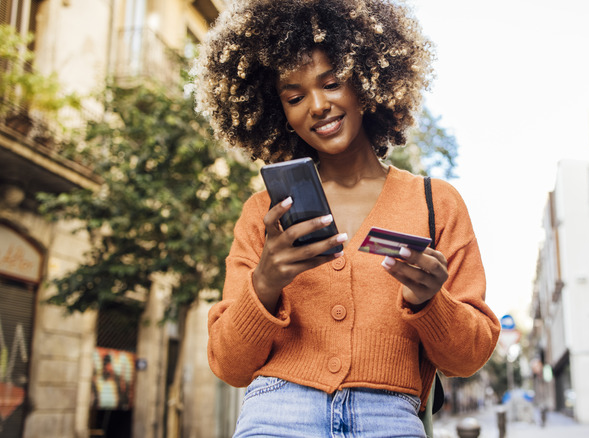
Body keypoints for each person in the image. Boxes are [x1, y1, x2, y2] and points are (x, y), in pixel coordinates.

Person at [193, 1, 500, 436]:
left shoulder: (436, 203)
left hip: (389, 415)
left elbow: (467, 357)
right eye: (294, 96)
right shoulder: (263, 213)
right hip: (277, 412)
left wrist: (432, 301)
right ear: (278, 110)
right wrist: (264, 283)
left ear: (367, 81)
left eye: (332, 83)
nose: (317, 106)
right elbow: (228, 364)